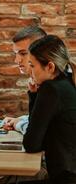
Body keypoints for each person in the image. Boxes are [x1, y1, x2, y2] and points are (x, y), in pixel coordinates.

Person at [23, 35, 76, 184]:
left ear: (50, 67)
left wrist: (36, 96)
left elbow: (31, 144)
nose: (30, 72)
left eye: (32, 66)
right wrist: (34, 96)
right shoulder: (68, 81)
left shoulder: (51, 89)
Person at [3, 26, 47, 134]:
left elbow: (36, 132)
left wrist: (18, 124)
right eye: (16, 54)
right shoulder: (38, 82)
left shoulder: (52, 85)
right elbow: (42, 118)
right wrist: (22, 119)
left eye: (23, 53)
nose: (17, 60)